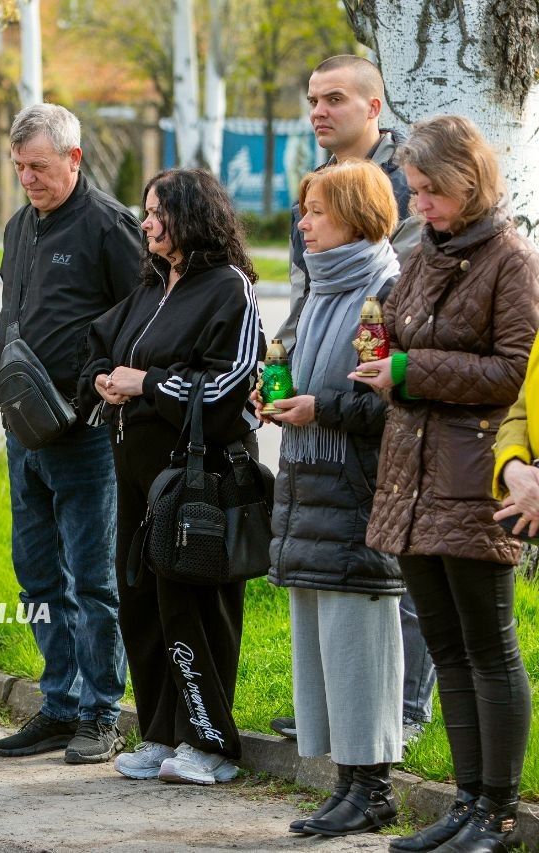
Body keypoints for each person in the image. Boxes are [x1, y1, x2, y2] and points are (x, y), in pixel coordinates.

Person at [357, 115, 537, 853]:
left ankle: (496, 812)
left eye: (432, 191)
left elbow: (513, 371)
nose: (420, 203)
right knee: (445, 645)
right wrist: (382, 351)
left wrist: (408, 370)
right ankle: (464, 802)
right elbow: (397, 329)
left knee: (488, 645)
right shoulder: (423, 252)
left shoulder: (511, 260)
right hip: (411, 473)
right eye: (416, 190)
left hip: (475, 474)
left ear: (472, 181)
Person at [79, 167, 265, 785]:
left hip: (197, 477)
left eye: (159, 213)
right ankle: (160, 732)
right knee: (142, 601)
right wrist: (106, 376)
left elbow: (230, 382)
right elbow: (106, 342)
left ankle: (208, 743)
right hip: (136, 474)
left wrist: (148, 383)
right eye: (146, 211)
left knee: (193, 604)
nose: (148, 223)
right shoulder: (155, 284)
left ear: (193, 217)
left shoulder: (228, 287)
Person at [270, 53, 433, 744]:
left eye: (333, 98)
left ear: (373, 107)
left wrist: (326, 400)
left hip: (370, 447)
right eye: (312, 99)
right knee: (327, 601)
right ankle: (343, 730)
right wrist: (274, 369)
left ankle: (400, 713)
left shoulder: (406, 184)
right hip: (318, 450)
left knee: (383, 589)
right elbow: (307, 296)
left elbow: (399, 330)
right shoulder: (317, 194)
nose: (318, 112)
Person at [0, 103, 140, 763]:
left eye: (40, 167)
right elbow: (11, 321)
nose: (29, 178)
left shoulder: (110, 226)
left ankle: (102, 712)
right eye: (20, 167)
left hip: (86, 436)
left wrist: (97, 391)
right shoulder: (21, 225)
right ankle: (58, 704)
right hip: (25, 433)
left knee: (91, 579)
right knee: (37, 575)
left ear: (74, 159)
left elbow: (139, 321)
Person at [265, 161, 403, 836]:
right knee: (322, 642)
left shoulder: (386, 287)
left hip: (358, 489)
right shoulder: (319, 289)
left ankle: (374, 789)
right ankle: (345, 783)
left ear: (356, 213)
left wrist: (319, 407)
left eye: (316, 210)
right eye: (303, 209)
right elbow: (291, 360)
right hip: (309, 483)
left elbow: (394, 403)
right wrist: (278, 393)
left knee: (359, 641)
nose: (304, 222)